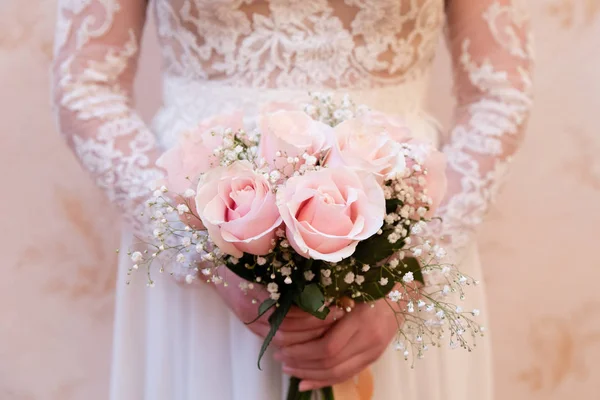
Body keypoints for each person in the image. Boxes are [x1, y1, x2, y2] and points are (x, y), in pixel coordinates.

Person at [51, 1, 533, 399]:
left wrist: (407, 272)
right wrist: (202, 251)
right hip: (202, 246)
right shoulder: (200, 249)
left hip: (402, 228)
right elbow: (86, 86)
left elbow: (499, 93)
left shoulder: (407, 259)